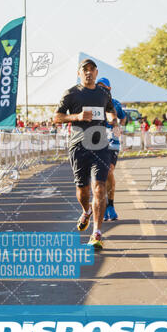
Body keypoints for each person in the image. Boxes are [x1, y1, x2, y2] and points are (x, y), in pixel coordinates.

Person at [53, 58, 117, 249]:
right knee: (83, 190)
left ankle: (96, 232)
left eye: (92, 69)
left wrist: (112, 118)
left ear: (96, 73)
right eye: (85, 70)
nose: (88, 73)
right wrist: (77, 117)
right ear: (79, 73)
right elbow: (56, 117)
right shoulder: (72, 93)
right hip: (79, 145)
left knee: (99, 187)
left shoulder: (103, 92)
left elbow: (110, 109)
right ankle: (86, 210)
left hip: (100, 145)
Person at [96, 78, 126, 221]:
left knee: (109, 171)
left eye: (104, 87)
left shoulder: (116, 103)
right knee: (97, 176)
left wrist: (119, 128)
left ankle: (111, 205)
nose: (101, 89)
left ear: (109, 89)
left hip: (112, 141)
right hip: (95, 141)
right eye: (99, 87)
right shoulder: (93, 102)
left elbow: (123, 117)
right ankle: (100, 206)